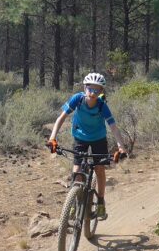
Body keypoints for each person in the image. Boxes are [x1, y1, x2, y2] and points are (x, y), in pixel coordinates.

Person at [46, 71, 127, 220]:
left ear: (101, 91)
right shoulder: (77, 99)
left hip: (98, 138)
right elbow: (61, 118)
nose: (92, 92)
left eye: (97, 90)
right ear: (85, 88)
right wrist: (52, 138)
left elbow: (113, 127)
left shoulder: (102, 106)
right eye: (90, 88)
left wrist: (121, 147)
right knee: (76, 171)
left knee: (99, 168)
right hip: (80, 137)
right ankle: (74, 203)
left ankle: (101, 203)